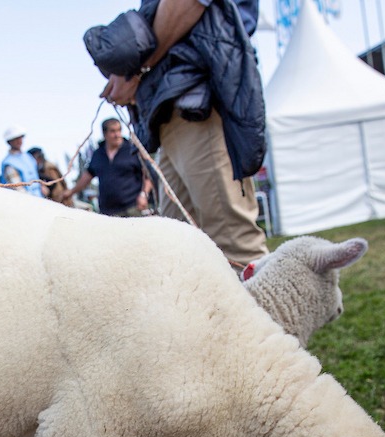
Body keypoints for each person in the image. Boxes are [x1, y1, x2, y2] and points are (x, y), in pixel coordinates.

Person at [94, 0, 268, 266]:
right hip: (172, 106)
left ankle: (265, 306)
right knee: (180, 254)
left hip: (198, 105)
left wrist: (137, 72)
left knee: (236, 250)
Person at [62, 119, 153, 216]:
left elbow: (148, 175)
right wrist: (71, 192)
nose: (117, 135)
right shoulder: (98, 154)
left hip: (133, 208)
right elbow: (88, 176)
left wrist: (144, 194)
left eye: (119, 130)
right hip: (108, 212)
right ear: (104, 134)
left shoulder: (132, 150)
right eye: (113, 131)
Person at [0, 126, 43, 197]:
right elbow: (18, 189)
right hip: (24, 201)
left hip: (40, 198)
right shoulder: (9, 163)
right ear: (9, 142)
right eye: (15, 139)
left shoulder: (29, 157)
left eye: (20, 137)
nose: (19, 140)